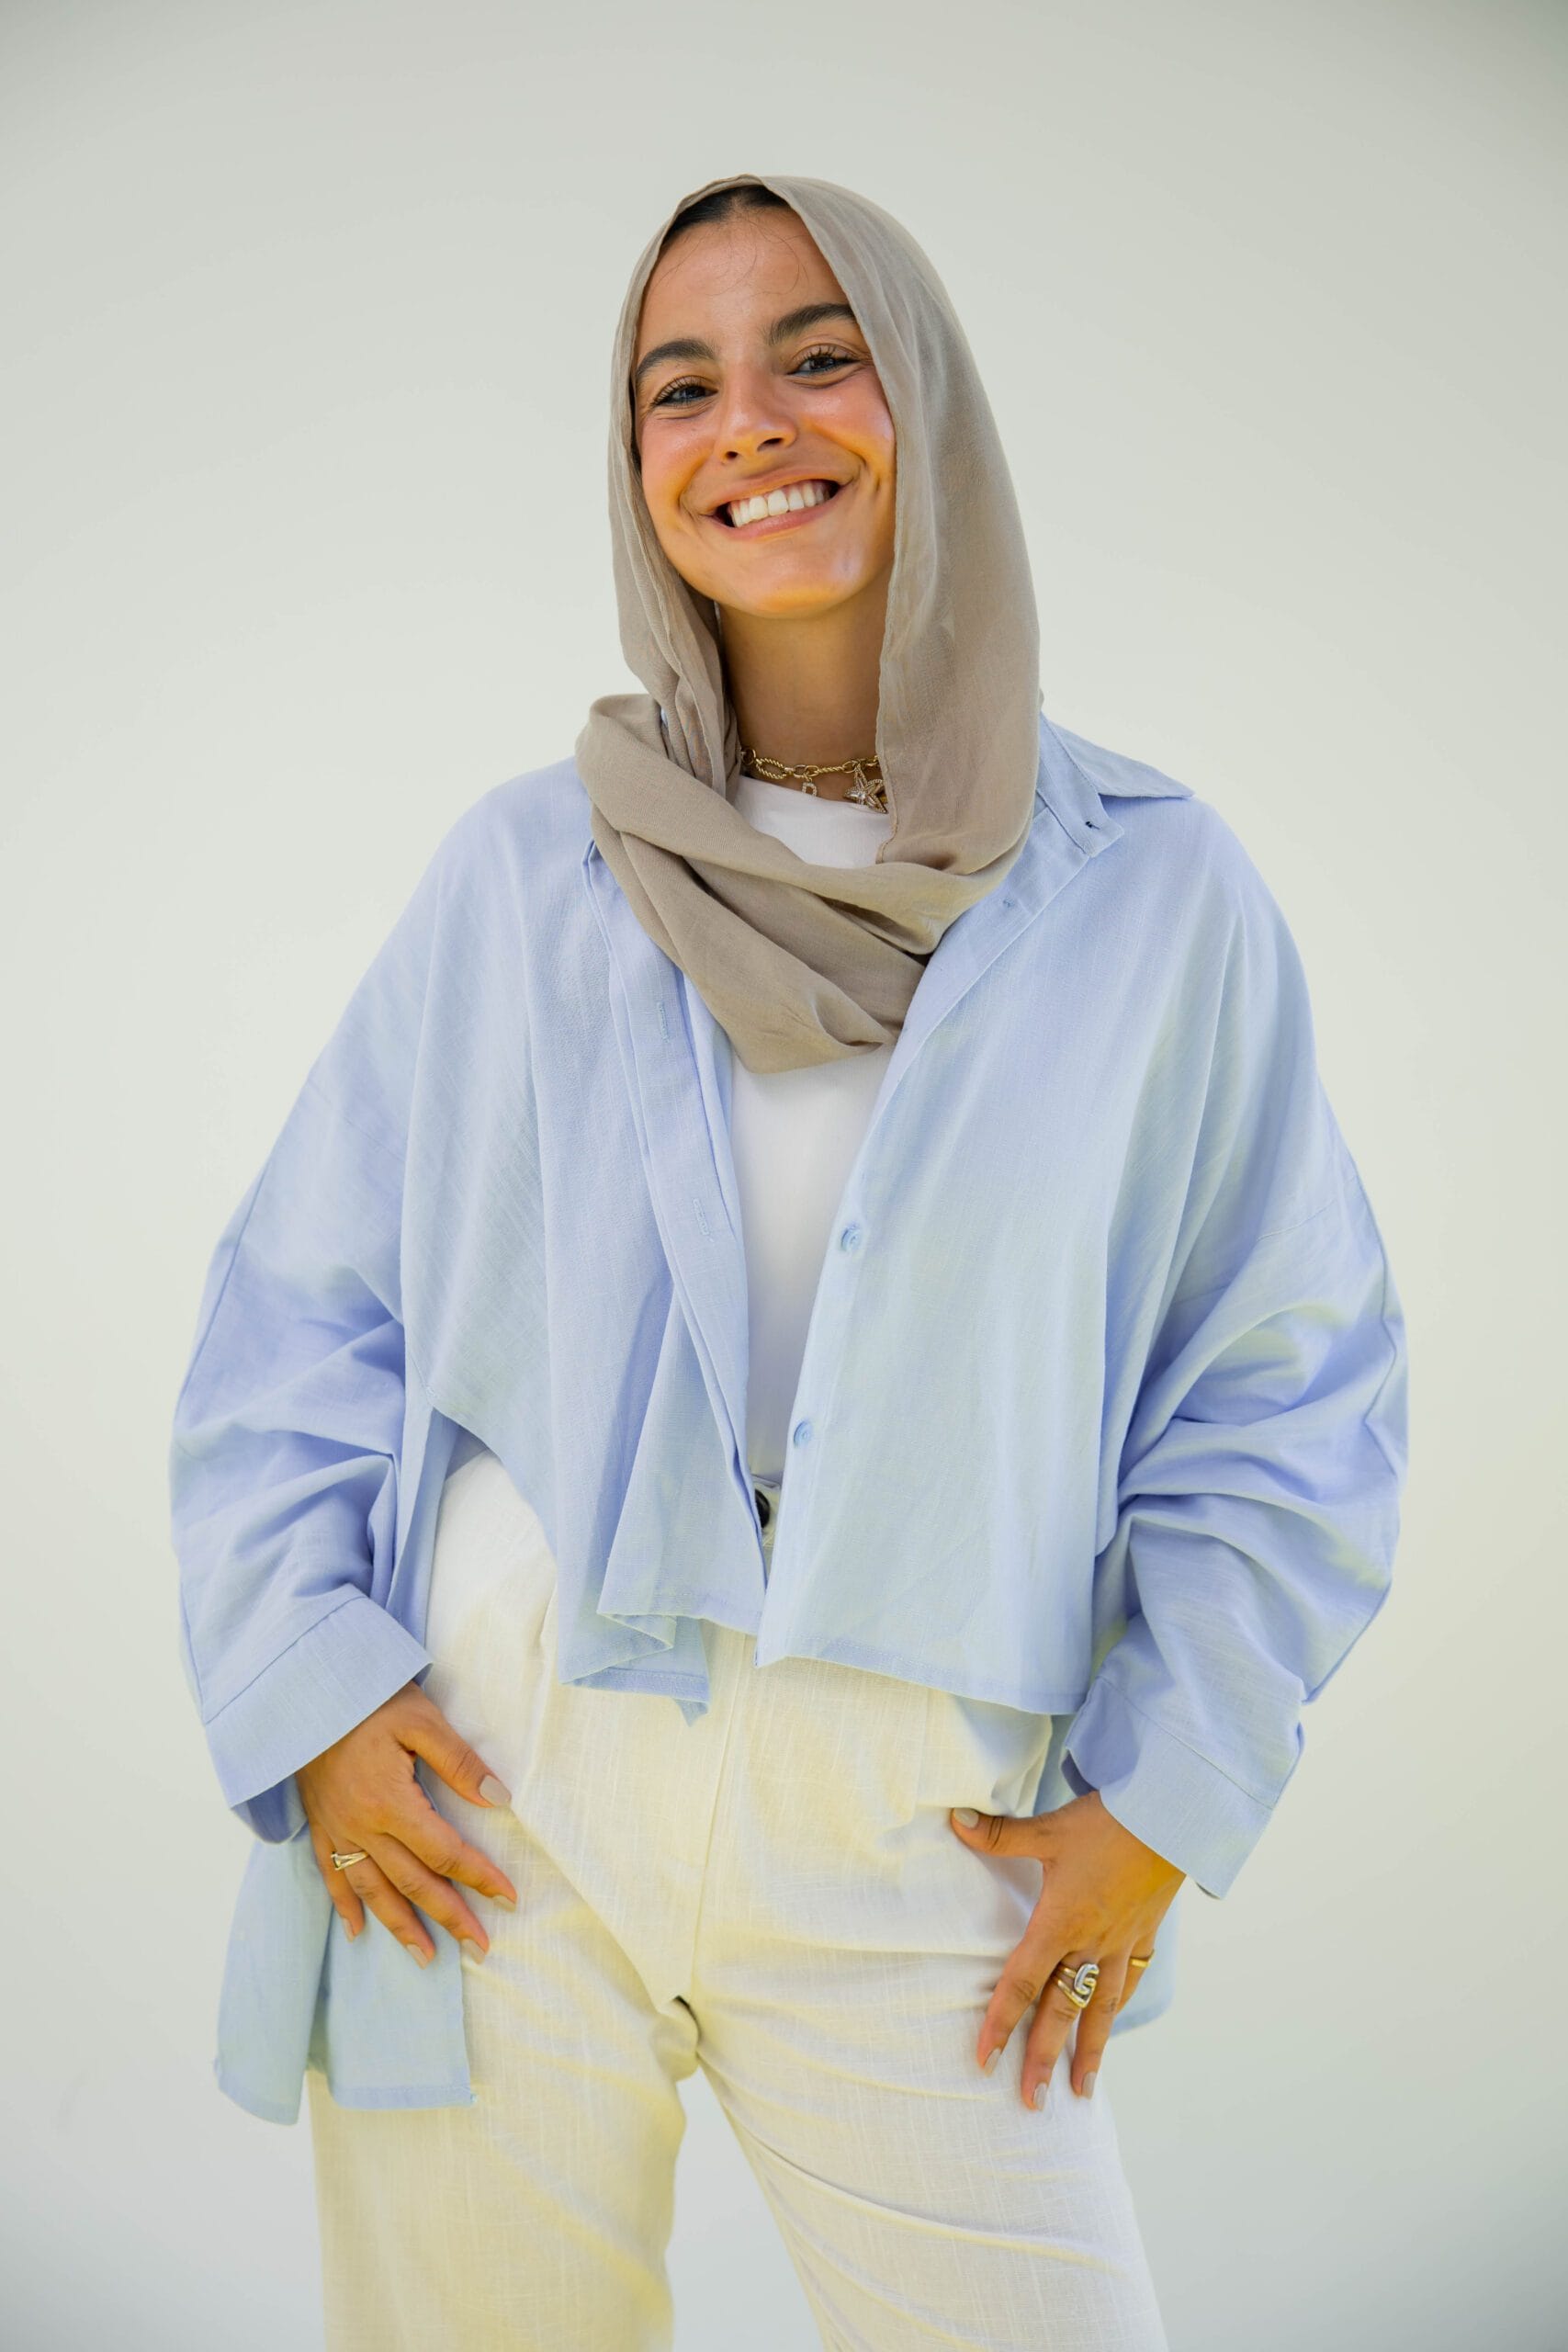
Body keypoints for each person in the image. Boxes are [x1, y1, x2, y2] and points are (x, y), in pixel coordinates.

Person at [168, 171, 1409, 2350]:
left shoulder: (1152, 894)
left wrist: (1162, 1793)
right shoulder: (526, 871)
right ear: (633, 464)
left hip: (918, 1795)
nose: (746, 419)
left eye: (816, 355)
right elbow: (301, 1307)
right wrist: (320, 1691)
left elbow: (1281, 1379)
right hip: (501, 1769)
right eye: (679, 384)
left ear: (923, 400)